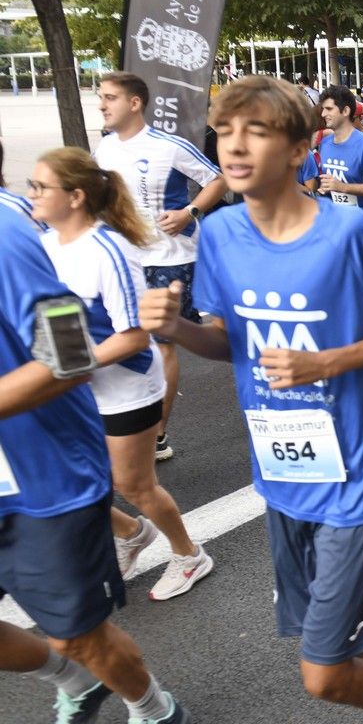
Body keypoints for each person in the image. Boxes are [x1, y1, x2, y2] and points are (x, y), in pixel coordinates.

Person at [138, 75, 363, 724]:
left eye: (255, 130)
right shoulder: (220, 236)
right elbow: (232, 342)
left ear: (300, 148)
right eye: (225, 131)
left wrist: (326, 360)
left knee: (321, 671)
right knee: (350, 634)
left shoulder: (344, 236)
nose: (234, 145)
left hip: (356, 473)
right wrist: (177, 330)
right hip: (283, 470)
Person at [0, 204, 192, 724]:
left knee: (77, 634)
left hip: (40, 482)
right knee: (71, 651)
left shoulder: (7, 236)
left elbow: (69, 357)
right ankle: (74, 681)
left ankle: (155, 710)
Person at [30, 146, 214, 601]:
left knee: (132, 483)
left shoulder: (107, 250)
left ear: (74, 196)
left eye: (40, 187)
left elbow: (133, 337)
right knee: (71, 474)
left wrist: (68, 365)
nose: (30, 193)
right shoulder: (44, 242)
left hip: (126, 388)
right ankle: (131, 532)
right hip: (75, 385)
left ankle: (189, 554)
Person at [93, 71, 226, 461]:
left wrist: (190, 211)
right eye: (101, 97)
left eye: (110, 97)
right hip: (123, 261)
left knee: (161, 346)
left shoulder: (170, 146)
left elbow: (217, 180)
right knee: (125, 338)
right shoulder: (103, 150)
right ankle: (124, 422)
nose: (102, 104)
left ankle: (157, 435)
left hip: (170, 258)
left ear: (135, 103)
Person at [316, 85, 363, 237]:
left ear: (345, 111)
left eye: (329, 109)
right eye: (323, 109)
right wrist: (325, 189)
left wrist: (342, 187)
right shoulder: (325, 144)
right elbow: (333, 183)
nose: (323, 114)